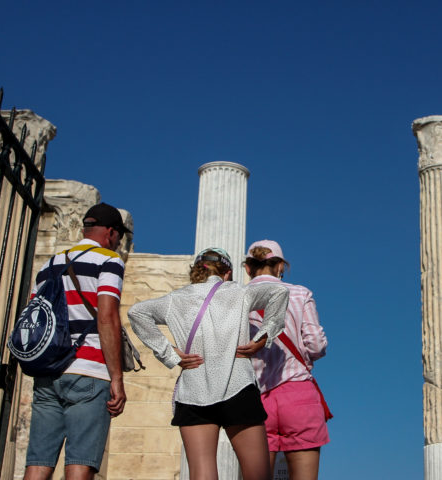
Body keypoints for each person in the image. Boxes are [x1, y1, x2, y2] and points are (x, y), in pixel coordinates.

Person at [127, 247, 288, 480]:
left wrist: (170, 354)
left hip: (193, 391)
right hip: (238, 386)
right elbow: (279, 292)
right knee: (257, 474)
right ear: (228, 273)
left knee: (201, 473)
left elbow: (136, 312)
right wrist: (262, 337)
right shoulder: (239, 292)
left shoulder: (175, 299)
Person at [24, 202, 129, 480]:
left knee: (37, 464)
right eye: (119, 236)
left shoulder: (49, 264)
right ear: (110, 232)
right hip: (89, 370)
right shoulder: (109, 260)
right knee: (80, 465)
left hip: (49, 372)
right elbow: (107, 317)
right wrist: (116, 377)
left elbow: (35, 317)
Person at [245, 240, 329, 480]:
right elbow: (317, 345)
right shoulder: (300, 293)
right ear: (281, 266)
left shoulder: (237, 297)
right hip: (299, 393)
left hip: (254, 397)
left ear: (247, 268)